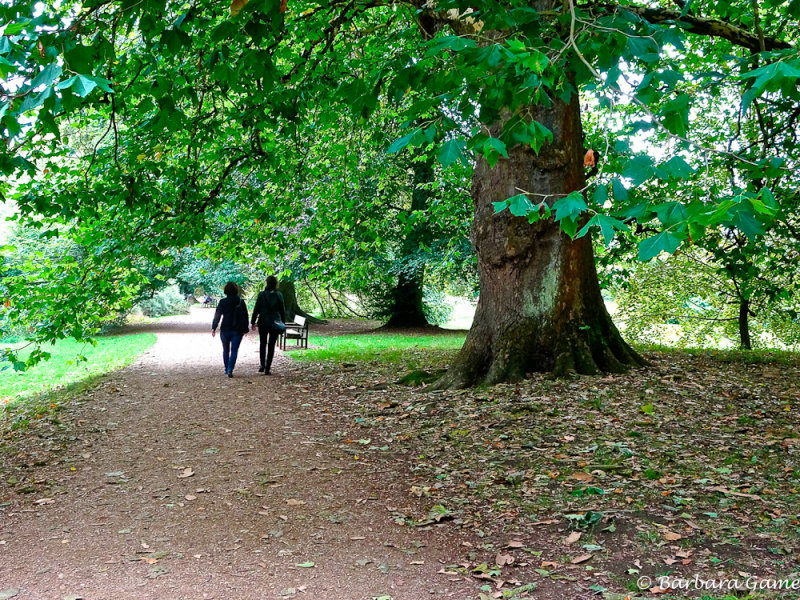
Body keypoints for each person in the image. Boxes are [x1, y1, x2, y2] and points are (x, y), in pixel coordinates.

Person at [211, 282, 249, 378]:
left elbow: (218, 315)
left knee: (225, 350)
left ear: (226, 291)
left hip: (225, 328)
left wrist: (214, 327)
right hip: (237, 329)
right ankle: (230, 369)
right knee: (234, 350)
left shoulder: (223, 302)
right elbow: (245, 316)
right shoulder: (240, 301)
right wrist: (245, 328)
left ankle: (226, 368)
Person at [250, 275, 286, 375]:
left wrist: (253, 322)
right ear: (276, 284)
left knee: (262, 343)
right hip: (275, 322)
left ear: (267, 283)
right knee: (271, 345)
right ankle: (268, 368)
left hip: (263, 322)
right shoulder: (279, 295)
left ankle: (262, 364)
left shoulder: (261, 295)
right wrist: (283, 323)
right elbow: (282, 311)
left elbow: (256, 309)